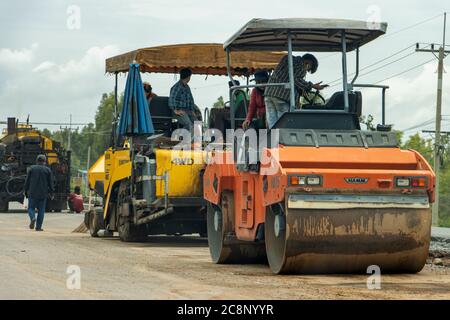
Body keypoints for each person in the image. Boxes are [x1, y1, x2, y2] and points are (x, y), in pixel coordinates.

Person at [264, 53, 327, 128]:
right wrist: (313, 86)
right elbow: (297, 80)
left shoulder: (286, 58)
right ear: (308, 62)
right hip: (282, 95)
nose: (306, 70)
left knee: (272, 122)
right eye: (309, 68)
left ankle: (273, 138)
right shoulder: (301, 65)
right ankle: (281, 139)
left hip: (269, 93)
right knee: (282, 123)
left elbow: (288, 76)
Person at [24, 154, 54, 231]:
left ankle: (33, 218)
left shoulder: (31, 169)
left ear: (37, 161)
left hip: (32, 193)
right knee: (41, 210)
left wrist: (25, 190)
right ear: (44, 161)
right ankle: (38, 227)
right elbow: (51, 183)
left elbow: (27, 181)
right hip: (43, 194)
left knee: (31, 208)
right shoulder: (47, 170)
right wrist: (52, 193)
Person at [169, 68, 197, 132]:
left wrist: (192, 111)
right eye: (190, 76)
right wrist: (175, 110)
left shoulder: (187, 87)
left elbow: (190, 100)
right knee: (189, 125)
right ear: (188, 77)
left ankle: (196, 140)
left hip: (187, 110)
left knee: (197, 124)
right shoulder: (177, 87)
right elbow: (171, 100)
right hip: (178, 110)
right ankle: (181, 138)